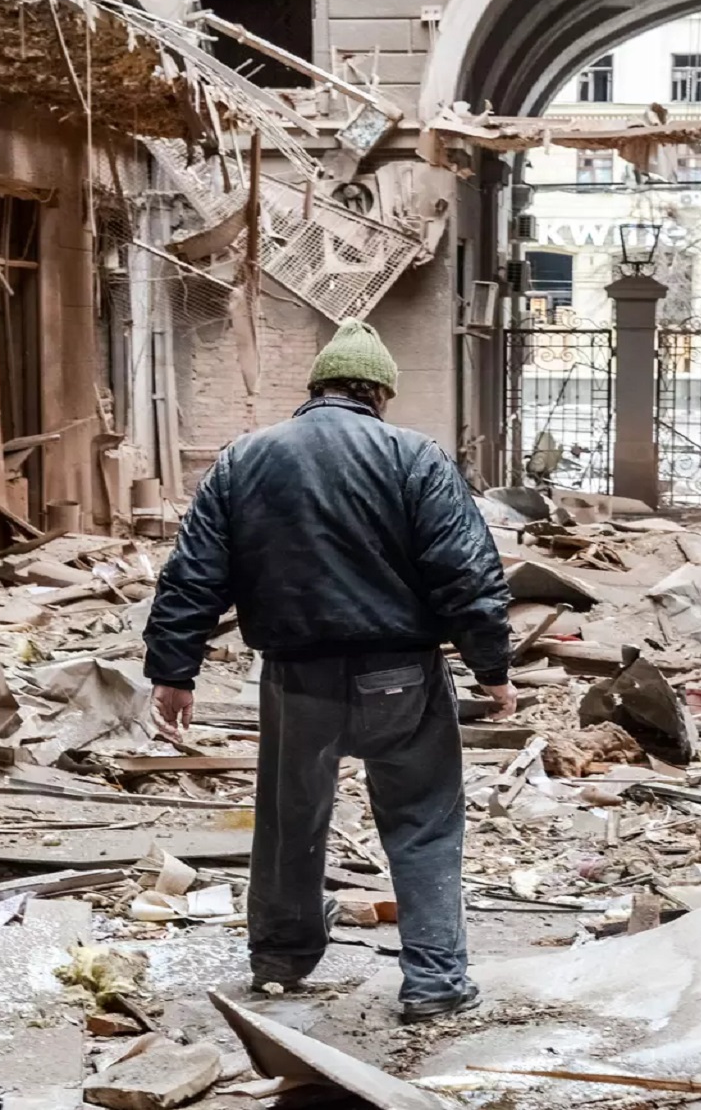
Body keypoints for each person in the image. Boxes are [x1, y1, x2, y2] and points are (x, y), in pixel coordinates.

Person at [142, 319, 515, 1024]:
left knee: (290, 823)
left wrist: (174, 670)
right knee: (423, 822)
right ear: (378, 392)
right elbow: (465, 571)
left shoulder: (244, 459)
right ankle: (434, 981)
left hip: (296, 680)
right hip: (402, 676)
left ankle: (281, 962)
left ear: (316, 387)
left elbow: (191, 574)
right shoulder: (415, 457)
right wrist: (492, 665)